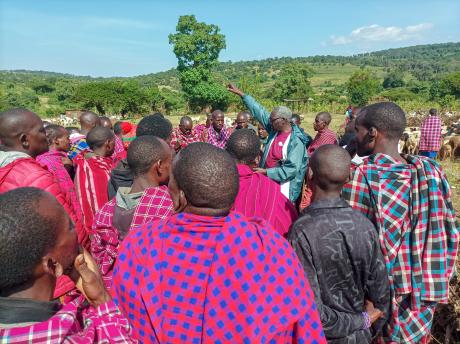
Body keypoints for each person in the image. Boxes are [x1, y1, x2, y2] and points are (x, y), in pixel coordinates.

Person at [112, 142, 326, 343]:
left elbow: (126, 322)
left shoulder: (141, 245)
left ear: (179, 197)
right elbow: (304, 326)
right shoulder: (272, 248)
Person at [342, 102, 459, 343]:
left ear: (373, 132)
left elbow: (352, 247)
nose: (356, 135)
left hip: (378, 299)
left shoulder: (361, 177)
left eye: (359, 130)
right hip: (425, 291)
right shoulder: (431, 172)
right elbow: (449, 226)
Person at [0, 188, 134, 343]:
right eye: (70, 227)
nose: (75, 231)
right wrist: (101, 298)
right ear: (53, 265)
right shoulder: (71, 338)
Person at [289, 145, 390, 343]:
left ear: (309, 173)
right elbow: (381, 296)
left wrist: (361, 322)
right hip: (361, 335)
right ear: (349, 178)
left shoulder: (301, 231)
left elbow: (310, 310)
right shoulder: (365, 225)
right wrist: (366, 325)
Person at [0, 108, 86, 297]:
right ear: (24, 140)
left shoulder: (6, 170)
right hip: (54, 276)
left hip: (17, 281)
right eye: (41, 131)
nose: (46, 136)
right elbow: (68, 230)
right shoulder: (33, 175)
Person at [92, 136, 174, 288]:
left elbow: (98, 258)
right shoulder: (169, 206)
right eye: (171, 161)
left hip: (115, 292)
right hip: (152, 294)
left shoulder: (104, 211)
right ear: (160, 166)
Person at [227, 83, 311, 203]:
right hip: (267, 182)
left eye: (273, 120)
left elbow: (291, 170)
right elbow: (259, 111)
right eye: (270, 120)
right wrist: (242, 94)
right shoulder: (274, 129)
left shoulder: (296, 142)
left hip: (283, 189)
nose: (269, 122)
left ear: (284, 120)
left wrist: (267, 172)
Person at [226, 129, 297, 236]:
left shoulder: (209, 184)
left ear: (226, 153)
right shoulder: (271, 190)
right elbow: (288, 228)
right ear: (258, 158)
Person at [108, 113, 173, 198]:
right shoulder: (165, 175)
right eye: (170, 137)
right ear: (163, 143)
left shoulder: (118, 174)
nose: (171, 141)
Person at [74, 127, 115, 238]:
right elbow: (105, 203)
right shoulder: (102, 169)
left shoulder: (82, 161)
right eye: (114, 142)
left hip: (86, 226)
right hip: (101, 228)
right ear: (108, 143)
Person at [36, 125, 82, 219]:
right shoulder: (47, 162)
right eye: (67, 138)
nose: (70, 141)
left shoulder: (63, 158)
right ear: (56, 140)